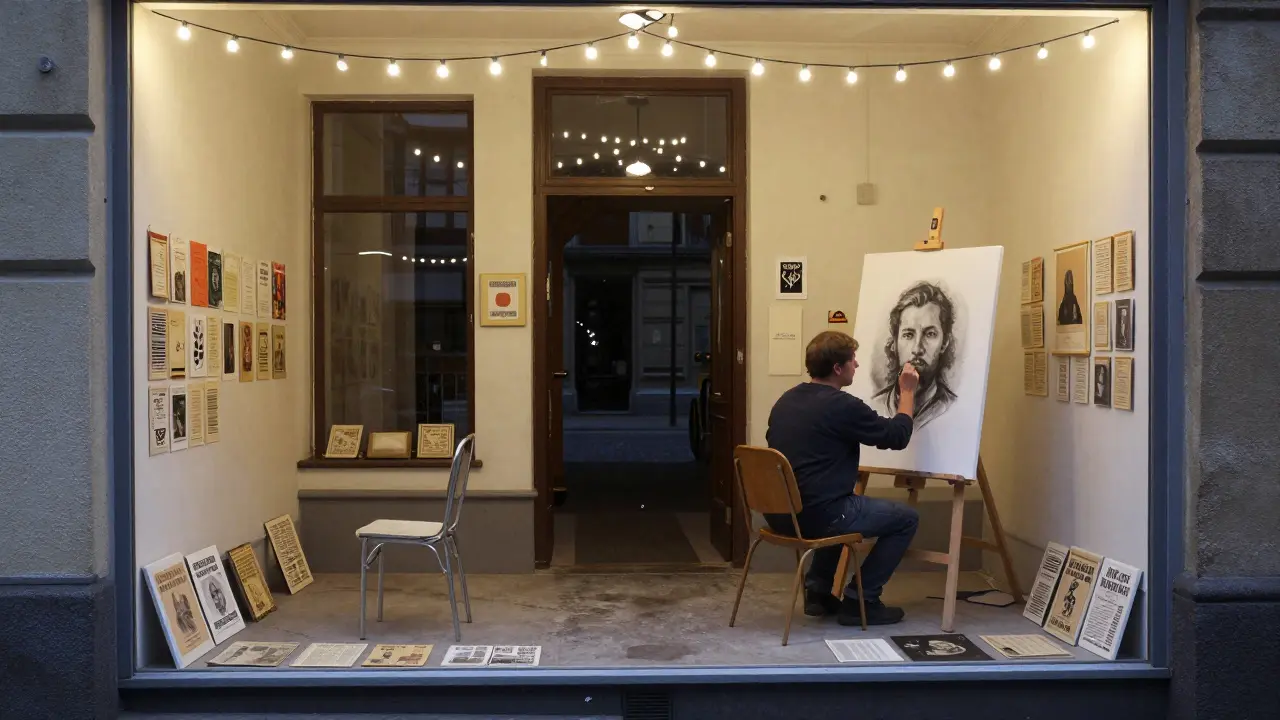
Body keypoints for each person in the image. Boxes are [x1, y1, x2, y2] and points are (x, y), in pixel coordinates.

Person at [765, 330, 921, 625]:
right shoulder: (842, 406)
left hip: (781, 514)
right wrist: (908, 392)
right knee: (906, 519)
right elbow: (897, 436)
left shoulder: (786, 400)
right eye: (852, 360)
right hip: (820, 515)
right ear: (838, 368)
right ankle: (861, 600)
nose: (857, 366)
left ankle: (819, 591)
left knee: (836, 505)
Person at [871, 281, 958, 428]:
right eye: (908, 335)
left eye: (930, 334)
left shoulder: (954, 409)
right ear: (894, 342)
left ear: (944, 343)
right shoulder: (874, 405)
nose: (917, 349)